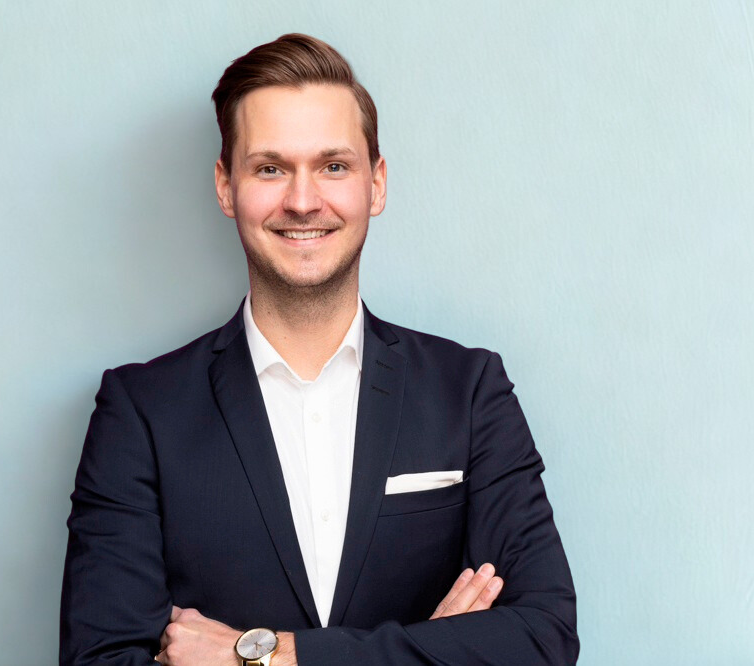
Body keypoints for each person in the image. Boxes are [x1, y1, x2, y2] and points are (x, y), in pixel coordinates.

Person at [60, 33, 578, 666]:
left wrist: (267, 657)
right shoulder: (139, 412)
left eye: (333, 165)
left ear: (376, 184)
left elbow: (543, 637)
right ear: (226, 186)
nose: (303, 201)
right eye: (270, 167)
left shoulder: (469, 391)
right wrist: (435, 651)